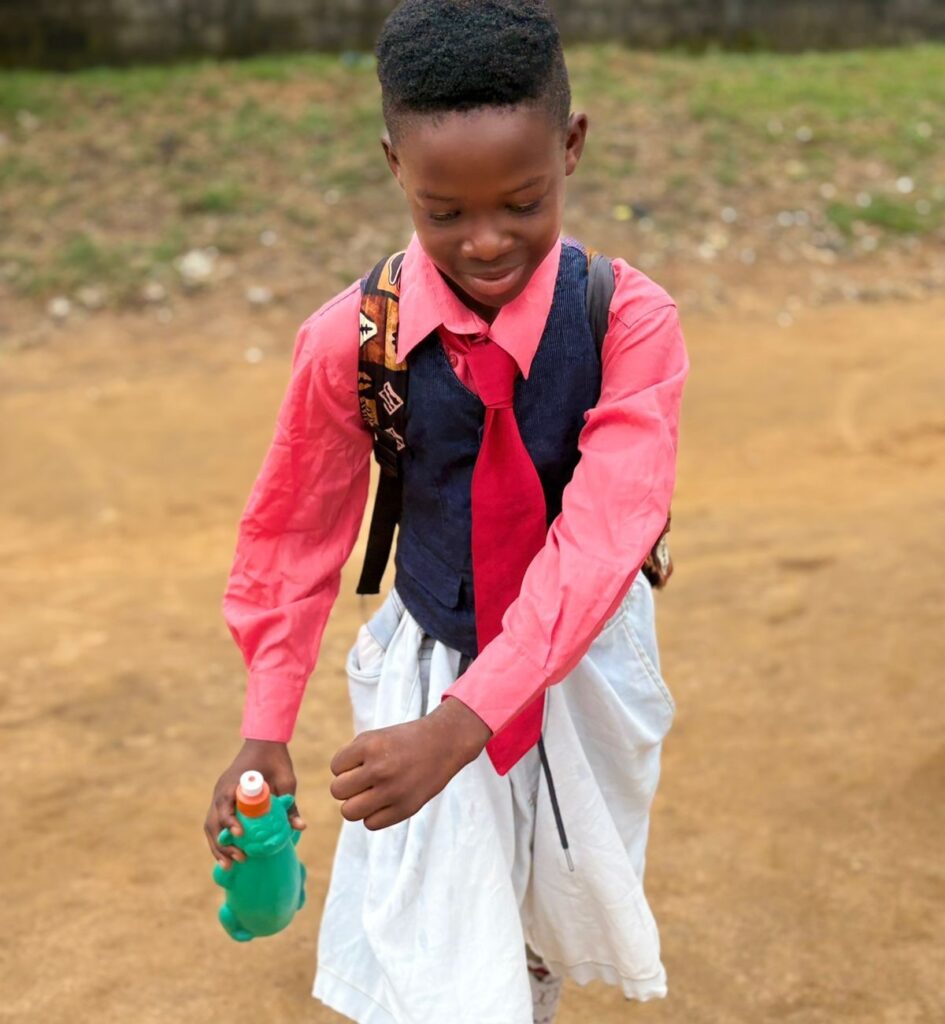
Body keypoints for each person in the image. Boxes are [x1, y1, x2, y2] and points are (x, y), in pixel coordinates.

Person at [204, 1, 689, 1021]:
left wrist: (462, 726)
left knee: (553, 911)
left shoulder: (627, 322)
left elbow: (603, 535)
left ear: (571, 145)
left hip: (587, 669)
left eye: (522, 202)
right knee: (446, 955)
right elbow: (293, 534)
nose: (486, 241)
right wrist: (264, 731)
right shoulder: (350, 341)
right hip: (430, 655)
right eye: (444, 211)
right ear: (395, 168)